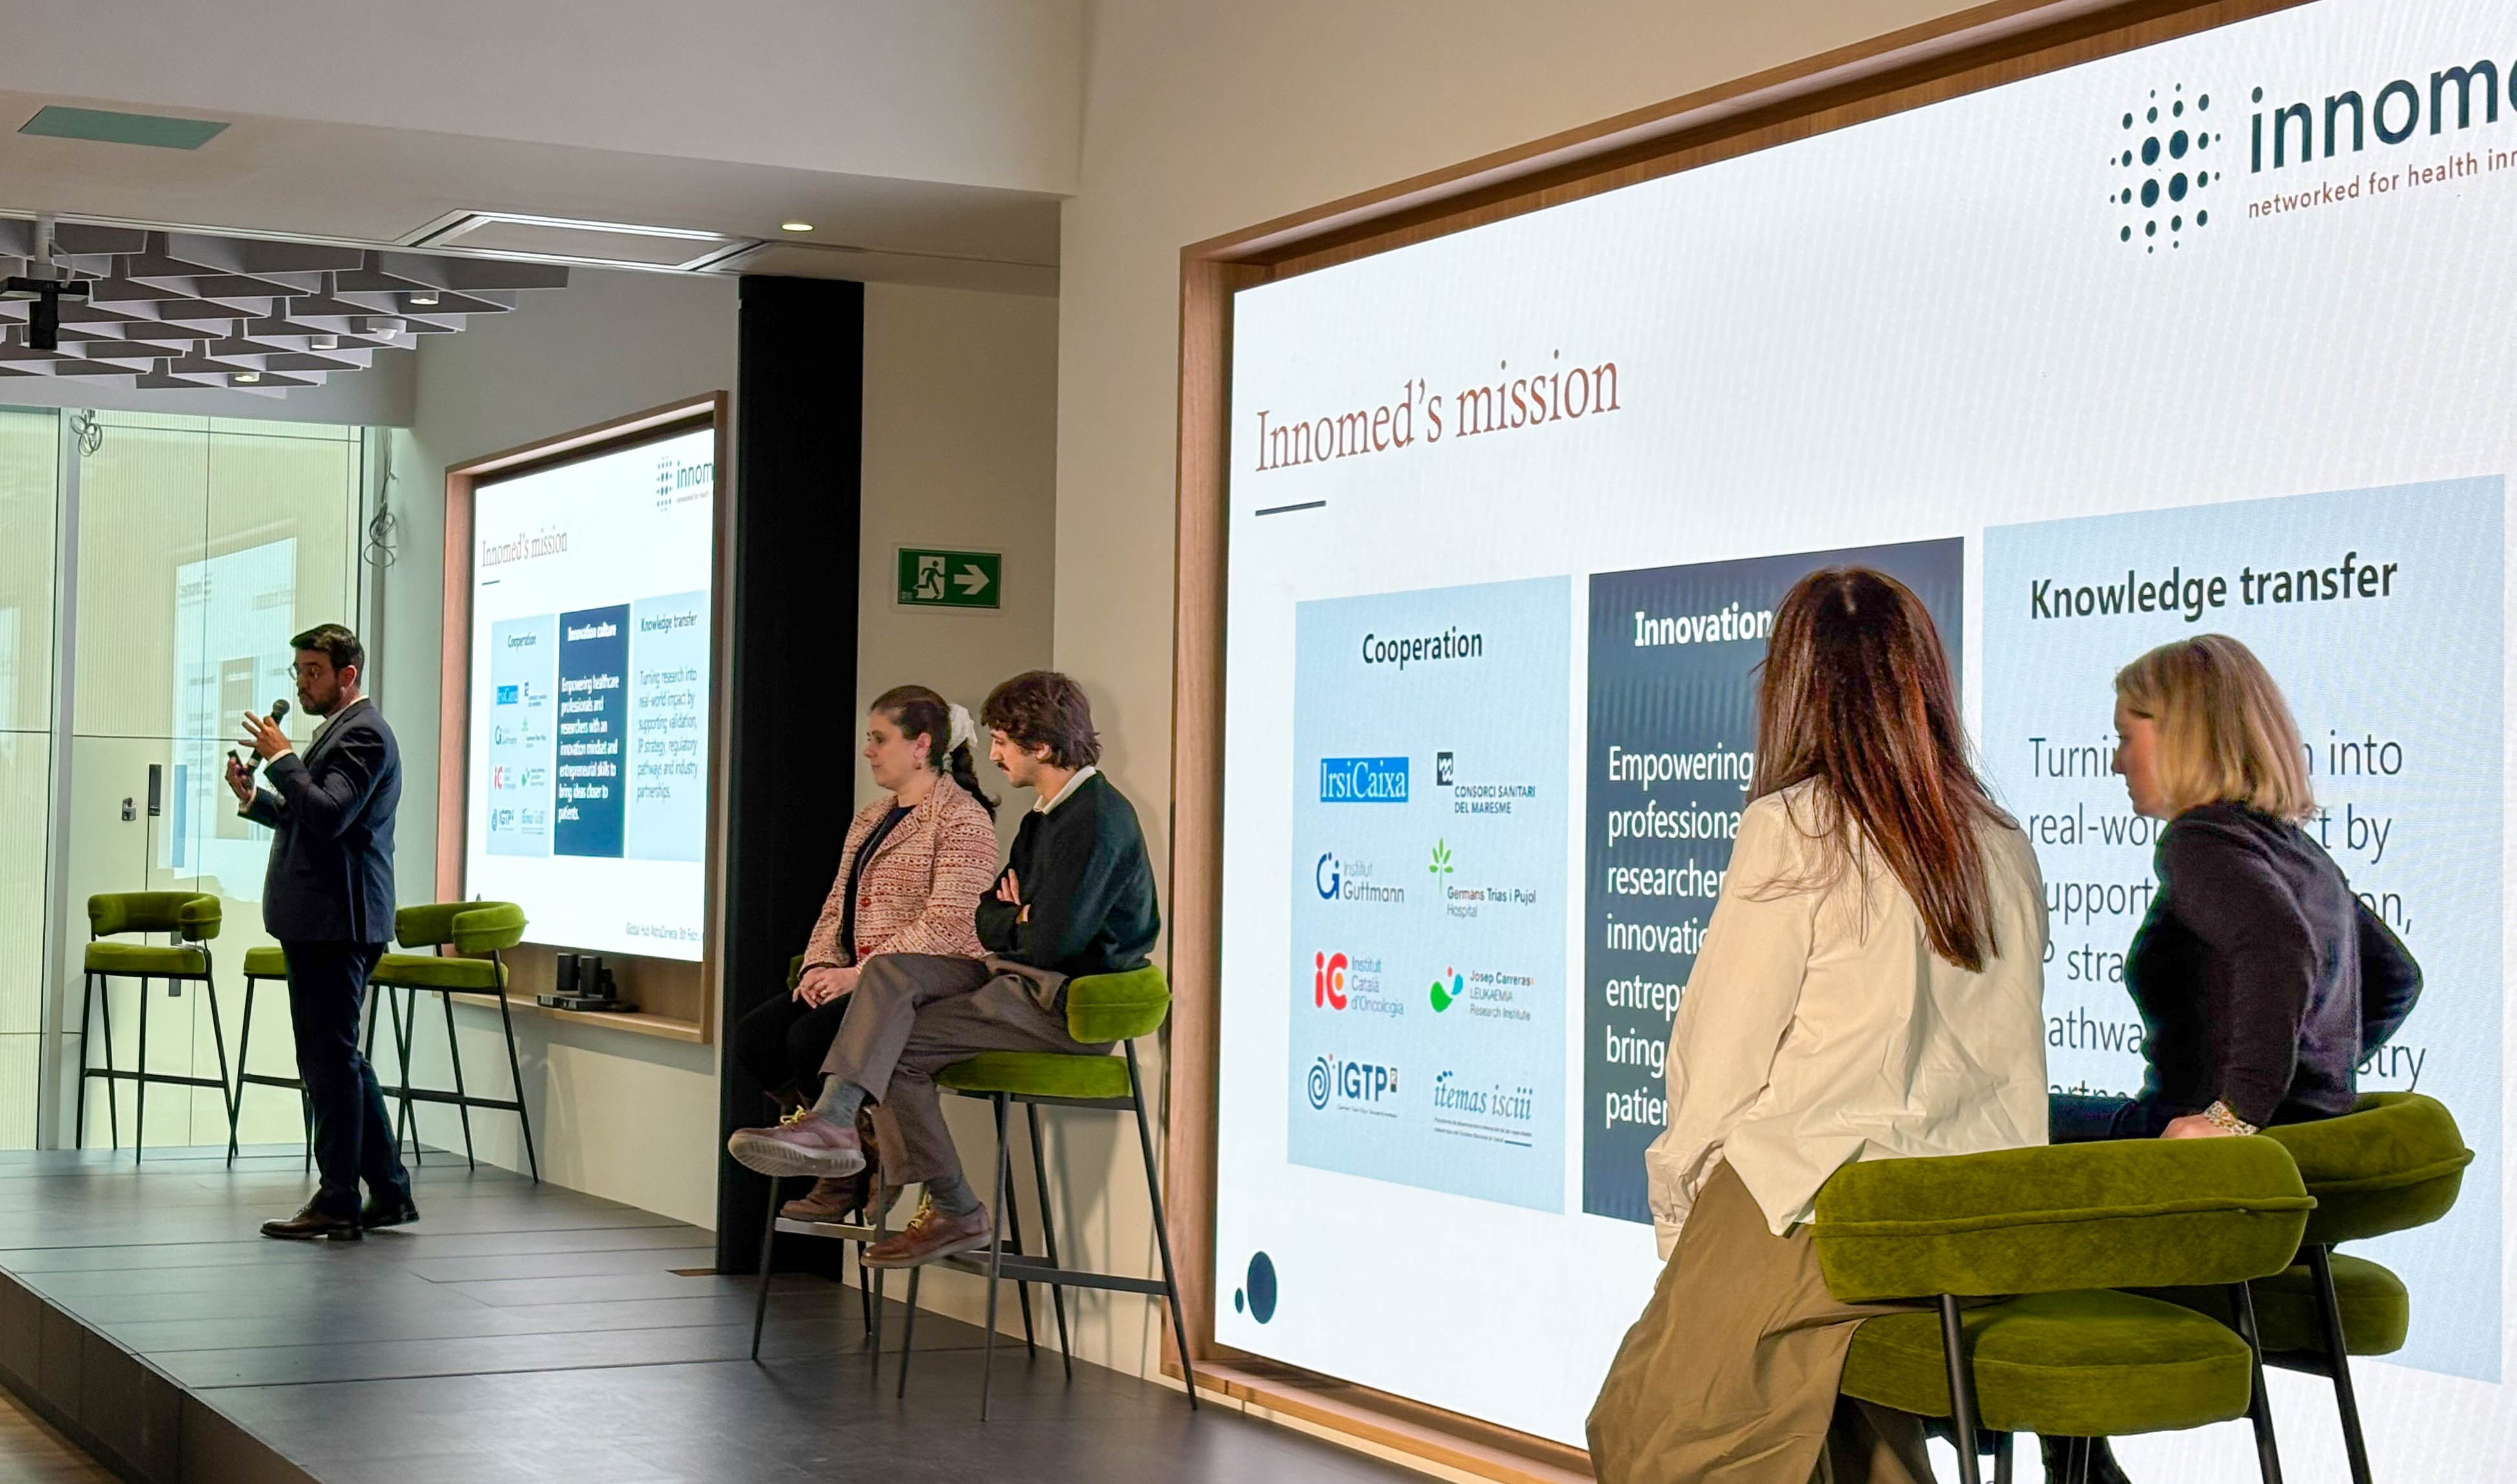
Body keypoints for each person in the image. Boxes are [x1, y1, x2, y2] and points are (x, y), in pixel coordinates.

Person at [1588, 568, 2049, 1484]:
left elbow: (1719, 1062)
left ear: (1793, 687)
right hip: (1971, 1229)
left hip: (1813, 1210)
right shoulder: (2002, 841)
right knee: (1852, 1440)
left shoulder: (1792, 827)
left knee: (1646, 1433)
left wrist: (1683, 1230)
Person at [2040, 635, 2422, 1484]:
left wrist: (2235, 1111)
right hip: (2289, 1162)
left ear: (2179, 735)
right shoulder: (2297, 849)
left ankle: (2062, 1451)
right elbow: (2396, 977)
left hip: (2208, 1163)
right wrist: (2309, 1073)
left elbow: (2275, 947)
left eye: (2127, 734)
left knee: (2000, 1128)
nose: (2115, 760)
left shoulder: (2201, 840)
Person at [724, 670, 1159, 1269]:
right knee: (888, 975)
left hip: (1056, 1001)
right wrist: (1015, 916)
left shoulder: (1094, 818)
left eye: (1002, 741)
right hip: (1012, 976)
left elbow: (1053, 942)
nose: (994, 754)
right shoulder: (1043, 817)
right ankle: (836, 1123)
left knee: (891, 1039)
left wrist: (1017, 918)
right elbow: (988, 916)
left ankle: (944, 1199)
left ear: (1040, 745)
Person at [728, 685, 998, 1222]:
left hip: (921, 979)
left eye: (879, 738)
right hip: (855, 972)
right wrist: (821, 965)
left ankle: (844, 1168)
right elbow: (837, 905)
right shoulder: (871, 815)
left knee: (810, 1038)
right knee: (757, 1037)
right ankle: (857, 1152)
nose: (868, 750)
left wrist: (858, 974)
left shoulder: (962, 818)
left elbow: (949, 924)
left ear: (921, 745)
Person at [226, 624, 410, 1242]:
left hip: (338, 922)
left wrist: (282, 760)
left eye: (313, 672)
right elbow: (308, 816)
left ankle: (337, 1199)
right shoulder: (339, 730)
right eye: (299, 671)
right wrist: (257, 797)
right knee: (341, 1059)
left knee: (329, 1064)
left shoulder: (364, 734)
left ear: (347, 675)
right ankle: (389, 1191)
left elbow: (330, 815)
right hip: (322, 920)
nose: (302, 684)